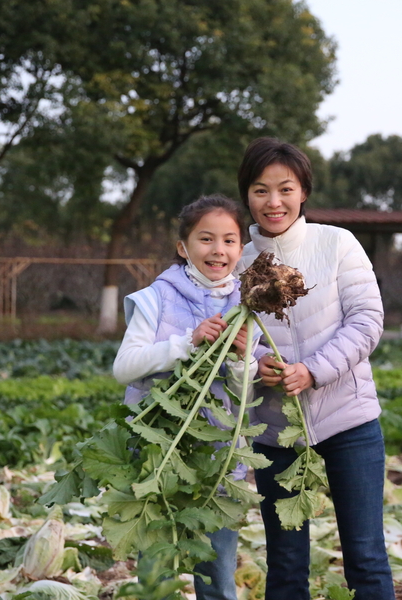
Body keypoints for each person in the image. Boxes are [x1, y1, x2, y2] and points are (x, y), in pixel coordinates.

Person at [235, 137, 395, 600]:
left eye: (285, 188)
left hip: (349, 419)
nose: (274, 201)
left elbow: (367, 320)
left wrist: (313, 370)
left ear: (303, 190)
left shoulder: (337, 243)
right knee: (285, 565)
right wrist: (254, 363)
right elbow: (226, 341)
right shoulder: (237, 260)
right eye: (261, 190)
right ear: (247, 195)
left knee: (365, 557)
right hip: (274, 429)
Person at [113, 194, 256, 600]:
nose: (218, 250)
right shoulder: (154, 298)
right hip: (159, 455)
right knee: (156, 576)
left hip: (219, 464)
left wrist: (243, 359)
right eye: (206, 239)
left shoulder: (248, 306)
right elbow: (124, 367)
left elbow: (246, 391)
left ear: (240, 250)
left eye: (229, 240)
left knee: (219, 581)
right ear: (183, 247)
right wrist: (187, 343)